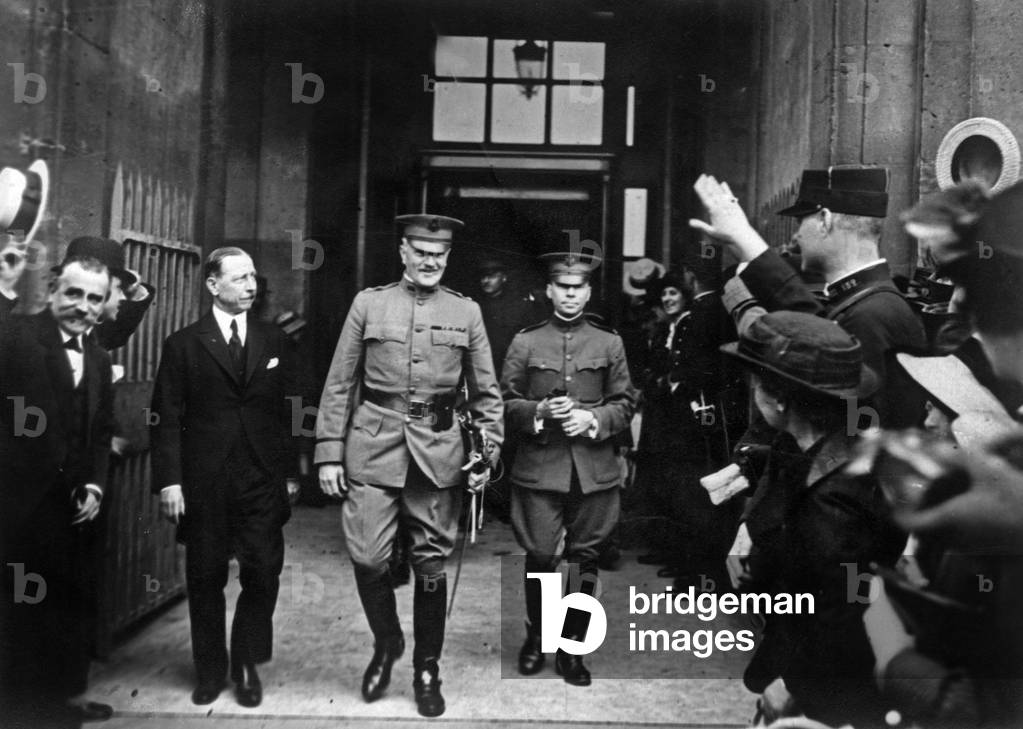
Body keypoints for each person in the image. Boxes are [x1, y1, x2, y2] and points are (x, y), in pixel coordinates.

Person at [315, 214, 503, 718]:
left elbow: (486, 394)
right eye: (421, 252)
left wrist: (486, 454)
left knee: (431, 565)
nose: (429, 261)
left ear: (448, 257)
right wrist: (329, 450)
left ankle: (426, 668)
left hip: (438, 453)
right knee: (368, 557)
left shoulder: (466, 312)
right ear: (403, 251)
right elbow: (340, 382)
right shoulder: (369, 304)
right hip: (373, 447)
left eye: (438, 255)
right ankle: (388, 641)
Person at [721, 310, 905, 727]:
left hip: (824, 695)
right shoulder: (825, 446)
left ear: (780, 400)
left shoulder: (833, 502)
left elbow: (843, 613)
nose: (753, 391)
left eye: (757, 382)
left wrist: (793, 685)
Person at [150, 247, 299, 709]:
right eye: (239, 278)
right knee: (205, 577)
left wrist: (292, 470)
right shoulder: (183, 344)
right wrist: (170, 482)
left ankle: (247, 664)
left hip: (260, 477)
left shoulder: (274, 340)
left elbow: (291, 408)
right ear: (213, 285)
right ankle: (210, 670)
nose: (251, 286)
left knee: (263, 572)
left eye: (253, 277)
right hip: (205, 481)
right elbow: (165, 417)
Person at [692, 168, 927, 429]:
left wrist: (745, 237)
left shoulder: (870, 314)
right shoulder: (868, 302)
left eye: (800, 221)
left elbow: (857, 431)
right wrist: (742, 241)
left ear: (825, 220)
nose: (796, 236)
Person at [501, 250, 637, 686]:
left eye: (578, 287)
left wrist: (593, 419)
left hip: (593, 469)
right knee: (541, 556)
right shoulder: (525, 342)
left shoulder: (608, 342)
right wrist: (538, 411)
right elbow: (504, 403)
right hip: (540, 467)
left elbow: (626, 403)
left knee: (585, 558)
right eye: (563, 286)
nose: (570, 295)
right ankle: (538, 636)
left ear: (589, 292)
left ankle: (572, 646)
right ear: (549, 290)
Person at [0, 256, 114, 726]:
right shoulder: (19, 337)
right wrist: (5, 284)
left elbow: (101, 432)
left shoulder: (99, 359)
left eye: (94, 298)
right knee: (22, 610)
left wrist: (95, 485)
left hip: (76, 508)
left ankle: (61, 701)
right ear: (52, 290)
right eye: (73, 293)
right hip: (21, 505)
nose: (83, 306)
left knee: (68, 605)